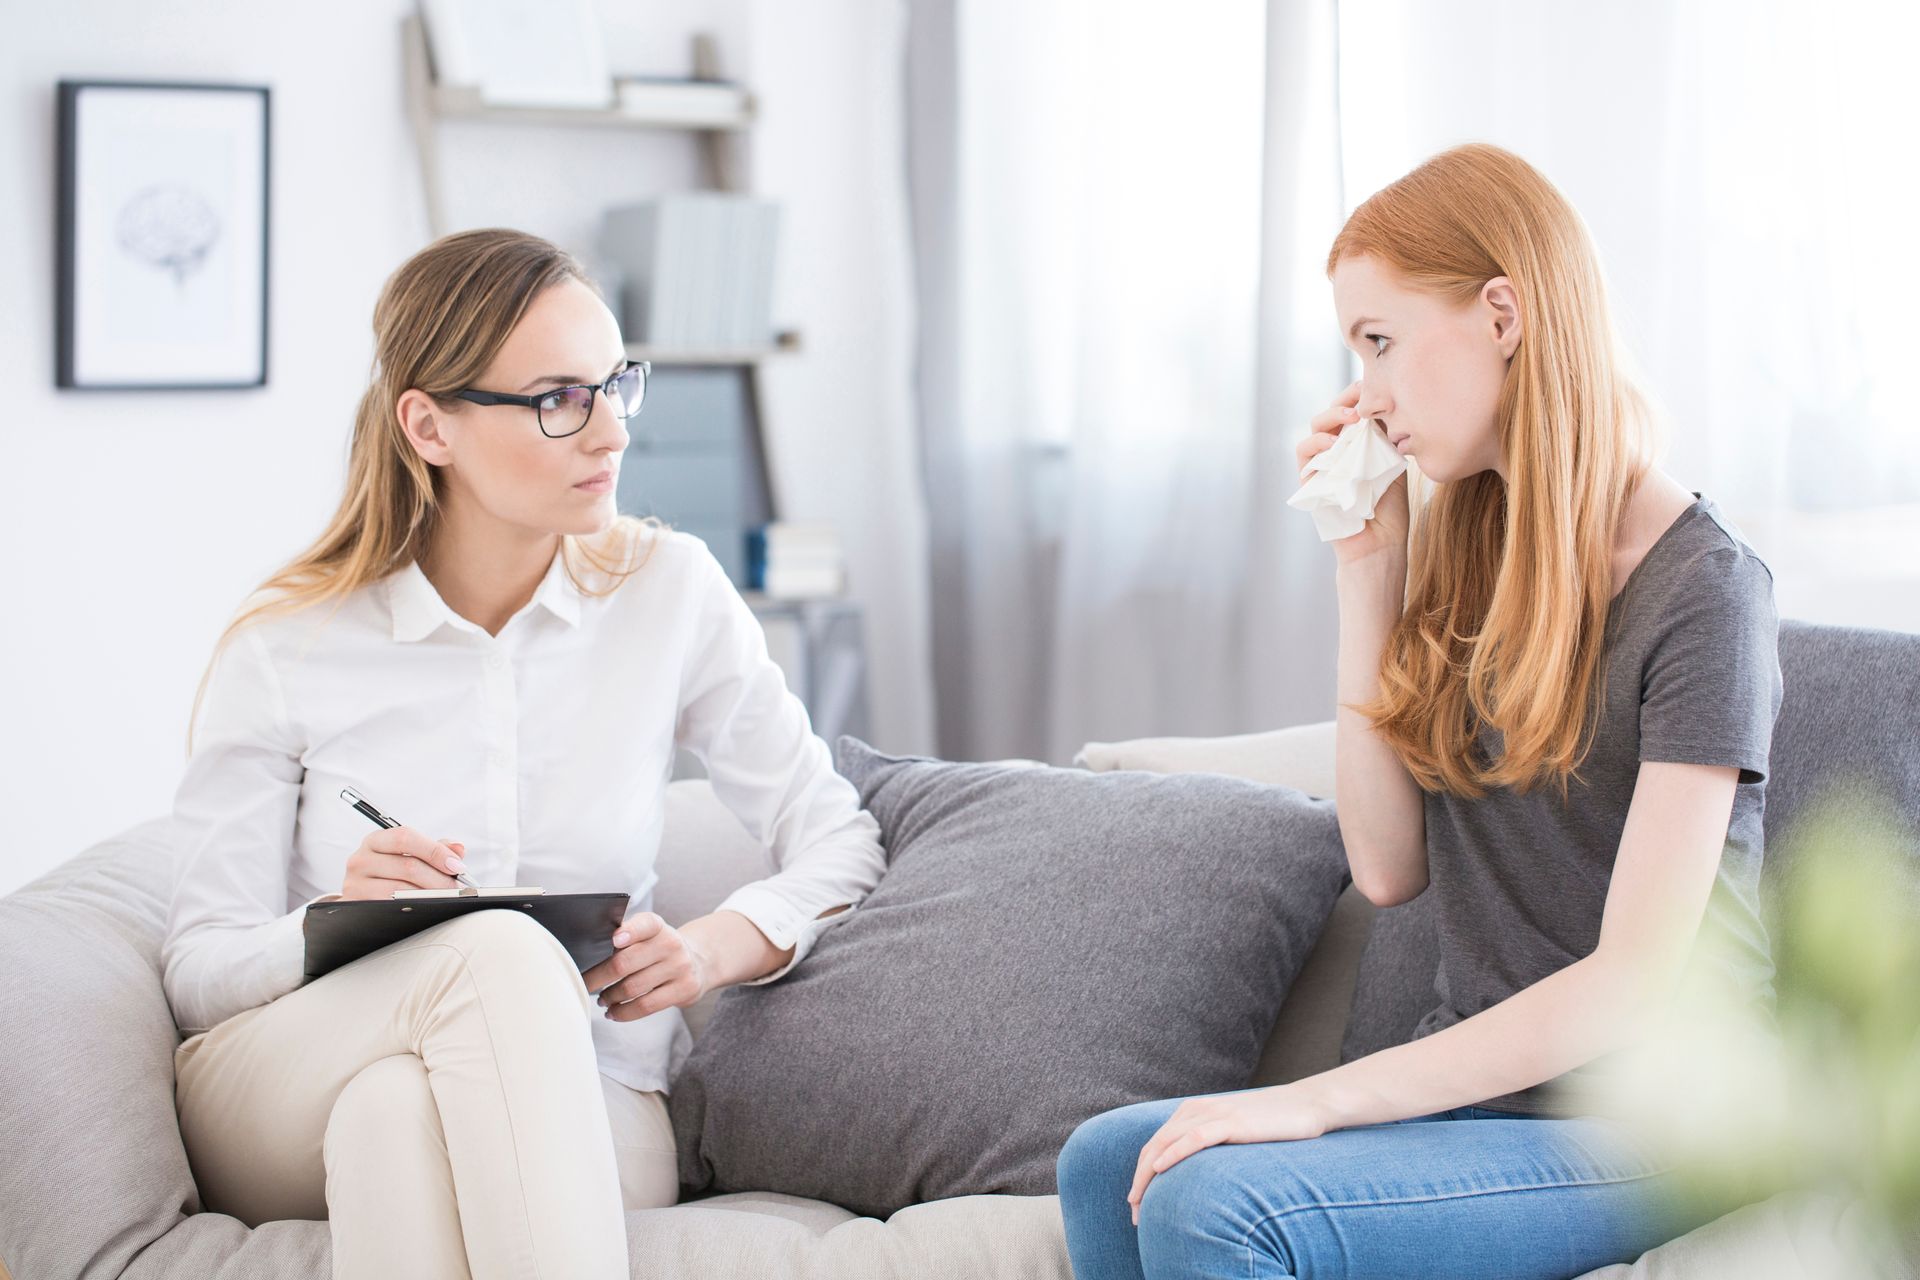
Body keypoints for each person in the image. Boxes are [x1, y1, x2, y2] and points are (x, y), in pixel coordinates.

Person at [1056, 142, 1783, 1279]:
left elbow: (1632, 980)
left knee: (1213, 1208)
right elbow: (1388, 867)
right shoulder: (1470, 549)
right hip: (1496, 1099)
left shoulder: (1706, 590)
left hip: (1663, 1116)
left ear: (1503, 313)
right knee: (1108, 1162)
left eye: (1381, 341)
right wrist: (1368, 568)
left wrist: (1318, 1098)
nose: (1368, 395)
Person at [161, 228, 885, 1280]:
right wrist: (335, 922)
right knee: (496, 953)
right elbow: (198, 970)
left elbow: (839, 839)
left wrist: (710, 950)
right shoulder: (290, 643)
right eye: (558, 399)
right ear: (430, 425)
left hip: (591, 1088)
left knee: (393, 1118)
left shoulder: (669, 593)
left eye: (615, 385)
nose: (611, 433)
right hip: (287, 1077)